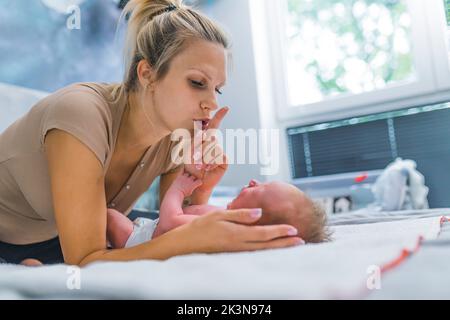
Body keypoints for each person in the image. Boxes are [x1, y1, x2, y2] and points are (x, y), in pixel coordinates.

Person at [0, 0, 303, 266]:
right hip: (11, 241)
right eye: (198, 82)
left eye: (217, 89)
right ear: (147, 74)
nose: (212, 102)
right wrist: (194, 240)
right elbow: (85, 261)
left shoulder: (174, 139)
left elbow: (170, 228)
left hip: (66, 239)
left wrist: (202, 186)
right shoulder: (81, 114)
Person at [107, 171, 331, 248]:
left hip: (138, 238)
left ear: (253, 219)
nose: (254, 182)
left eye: (259, 190)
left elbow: (169, 222)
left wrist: (177, 190)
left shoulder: (218, 225)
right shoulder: (221, 216)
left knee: (109, 216)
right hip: (147, 227)